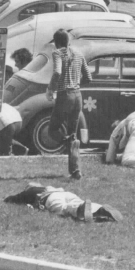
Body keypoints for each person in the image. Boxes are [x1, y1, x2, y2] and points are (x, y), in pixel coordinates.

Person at [47, 29, 92, 180]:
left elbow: (57, 72)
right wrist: (77, 84)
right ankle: (76, 170)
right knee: (73, 134)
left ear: (56, 43)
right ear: (68, 41)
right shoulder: (79, 53)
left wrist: (51, 88)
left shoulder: (57, 53)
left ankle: (66, 142)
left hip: (64, 95)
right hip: (77, 95)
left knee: (53, 129)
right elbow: (89, 77)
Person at [4, 182, 123, 223]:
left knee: (64, 208)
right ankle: (100, 209)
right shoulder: (50, 187)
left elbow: (12, 199)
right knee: (78, 201)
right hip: (66, 193)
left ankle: (80, 208)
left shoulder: (31, 192)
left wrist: (5, 200)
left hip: (50, 199)